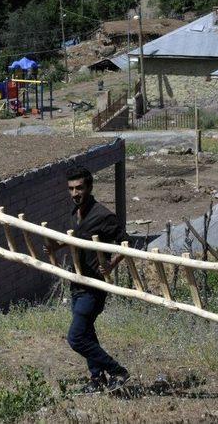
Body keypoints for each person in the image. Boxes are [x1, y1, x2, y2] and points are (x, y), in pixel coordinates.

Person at [45, 165, 130, 393]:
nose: (75, 193)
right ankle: (97, 379)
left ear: (89, 187)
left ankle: (118, 371)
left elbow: (126, 243)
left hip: (93, 288)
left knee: (76, 338)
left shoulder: (103, 216)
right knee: (87, 332)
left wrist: (111, 264)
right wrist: (57, 245)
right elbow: (79, 239)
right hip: (77, 284)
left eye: (79, 188)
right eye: (71, 189)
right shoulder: (76, 212)